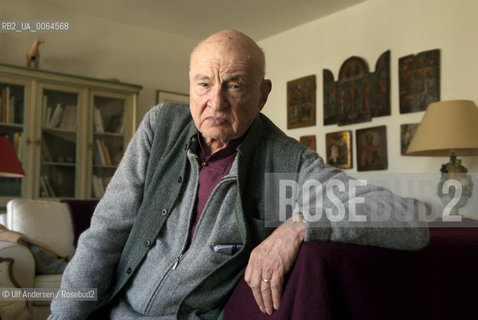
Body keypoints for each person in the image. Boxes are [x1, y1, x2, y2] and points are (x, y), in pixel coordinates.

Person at [48, 30, 428, 320]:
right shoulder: (160, 127)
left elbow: (406, 218)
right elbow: (105, 234)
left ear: (262, 95)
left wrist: (299, 226)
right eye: (204, 84)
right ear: (190, 87)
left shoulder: (286, 164)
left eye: (234, 84)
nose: (216, 102)